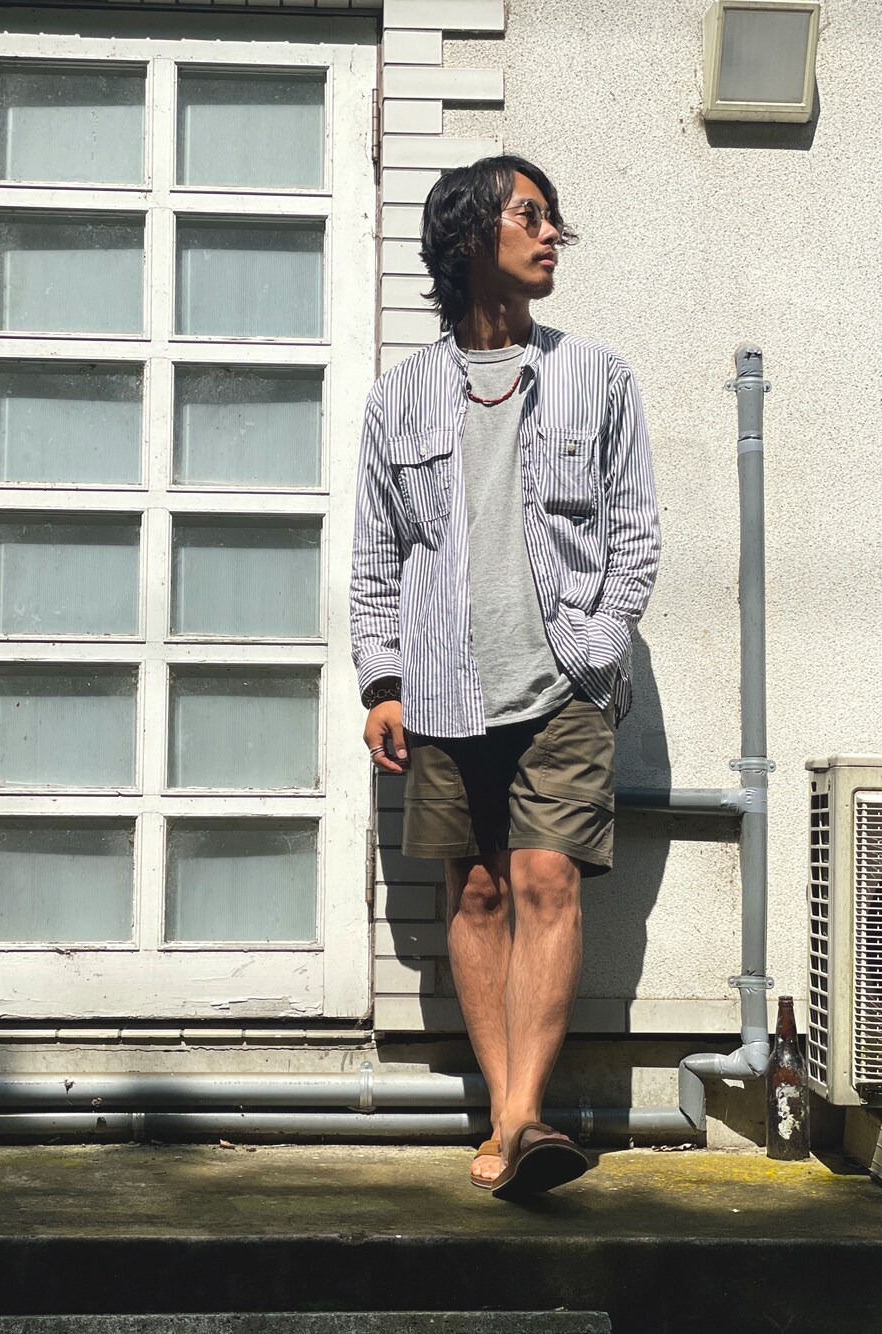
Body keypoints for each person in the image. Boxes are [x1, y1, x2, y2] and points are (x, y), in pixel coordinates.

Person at [349, 155, 660, 1200]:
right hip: (443, 687)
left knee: (545, 881)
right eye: (531, 214)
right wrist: (381, 681)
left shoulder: (596, 378)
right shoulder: (400, 397)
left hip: (561, 686)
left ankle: (523, 1115)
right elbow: (375, 556)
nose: (551, 233)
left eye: (554, 217)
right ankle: (506, 1110)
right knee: (477, 892)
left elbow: (636, 538)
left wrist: (596, 648)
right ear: (471, 235)